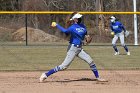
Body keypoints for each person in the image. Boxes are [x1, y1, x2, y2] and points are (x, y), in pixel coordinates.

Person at [39, 12, 106, 82]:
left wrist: (87, 38)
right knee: (64, 66)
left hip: (79, 49)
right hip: (72, 49)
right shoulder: (72, 27)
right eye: (79, 18)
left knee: (91, 61)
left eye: (80, 17)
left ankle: (98, 77)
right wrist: (57, 25)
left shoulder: (83, 26)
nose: (80, 19)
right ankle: (46, 74)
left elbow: (85, 35)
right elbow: (65, 31)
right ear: (75, 19)